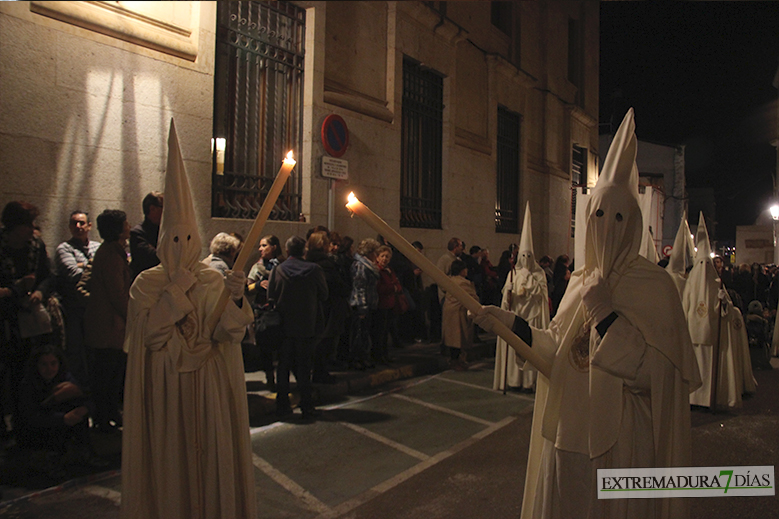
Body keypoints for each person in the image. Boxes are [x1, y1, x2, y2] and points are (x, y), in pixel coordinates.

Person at [476, 109, 700, 519]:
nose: (608, 226)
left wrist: (605, 314)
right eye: (599, 214)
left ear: (634, 224)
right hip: (568, 433)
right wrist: (510, 325)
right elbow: (555, 350)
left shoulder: (656, 287)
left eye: (619, 217)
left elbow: (661, 378)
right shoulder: (578, 281)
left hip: (622, 442)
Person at [121, 121, 256, 518]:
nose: (181, 247)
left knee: (211, 460)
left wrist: (234, 297)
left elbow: (230, 332)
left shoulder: (212, 278)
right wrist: (176, 293)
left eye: (187, 238)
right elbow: (147, 336)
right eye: (173, 239)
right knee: (172, 462)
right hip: (167, 389)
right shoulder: (148, 283)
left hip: (211, 385)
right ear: (163, 240)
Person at [0, 201, 55, 436]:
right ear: (14, 227)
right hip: (7, 320)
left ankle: (33, 422)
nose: (32, 229)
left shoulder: (35, 245)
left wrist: (40, 291)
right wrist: (17, 289)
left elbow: (47, 275)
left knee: (32, 370)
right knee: (10, 373)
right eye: (27, 224)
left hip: (32, 320)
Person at [684, 213, 746, 409]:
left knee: (709, 369)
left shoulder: (716, 282)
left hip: (712, 336)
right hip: (693, 336)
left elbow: (726, 309)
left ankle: (707, 398)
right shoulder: (691, 282)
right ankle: (693, 397)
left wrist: (724, 304)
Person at [16, 344, 105, 477]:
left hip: (61, 420)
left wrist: (84, 409)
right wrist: (62, 418)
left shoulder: (65, 377)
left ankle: (85, 453)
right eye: (44, 364)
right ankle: (48, 460)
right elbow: (31, 417)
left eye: (53, 363)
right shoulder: (28, 384)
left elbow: (87, 399)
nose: (49, 369)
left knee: (77, 407)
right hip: (39, 429)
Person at [267, 235, 328, 419]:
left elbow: (271, 296)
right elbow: (324, 295)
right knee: (304, 367)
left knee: (283, 367)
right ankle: (306, 404)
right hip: (307, 325)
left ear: (287, 251)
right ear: (305, 251)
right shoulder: (315, 270)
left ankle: (282, 404)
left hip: (284, 326)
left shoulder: (278, 270)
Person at [493, 203, 549, 392]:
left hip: (531, 320)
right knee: (514, 349)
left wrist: (531, 285)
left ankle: (528, 382)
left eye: (528, 256)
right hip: (517, 317)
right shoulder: (512, 274)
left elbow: (541, 296)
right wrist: (508, 292)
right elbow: (506, 302)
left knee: (529, 349)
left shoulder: (539, 275)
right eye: (522, 256)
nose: (525, 259)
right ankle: (513, 380)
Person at [84, 209, 131, 433]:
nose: (128, 225)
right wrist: (131, 316)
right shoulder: (111, 254)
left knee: (111, 373)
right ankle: (104, 418)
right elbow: (117, 292)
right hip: (109, 325)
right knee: (106, 374)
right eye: (124, 222)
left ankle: (110, 413)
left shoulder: (113, 251)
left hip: (110, 324)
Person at [54, 211, 101, 389]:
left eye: (82, 223)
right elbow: (73, 274)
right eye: (74, 223)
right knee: (74, 350)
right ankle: (75, 389)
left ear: (89, 226)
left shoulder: (98, 247)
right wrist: (94, 267)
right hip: (74, 308)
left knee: (95, 350)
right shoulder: (64, 249)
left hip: (95, 307)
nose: (78, 227)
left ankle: (94, 389)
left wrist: (84, 265)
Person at [306, 231, 350, 383]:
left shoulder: (308, 261)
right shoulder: (325, 264)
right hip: (329, 307)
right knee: (325, 342)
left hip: (315, 305)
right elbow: (335, 285)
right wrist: (345, 288)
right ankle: (320, 372)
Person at [348, 238, 381, 369]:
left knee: (364, 333)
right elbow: (359, 287)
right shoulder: (361, 266)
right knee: (359, 333)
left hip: (369, 303)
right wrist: (362, 307)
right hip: (361, 305)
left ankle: (363, 357)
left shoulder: (367, 265)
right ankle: (357, 359)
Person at [442, 259, 477, 370]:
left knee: (452, 338)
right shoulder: (463, 282)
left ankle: (455, 360)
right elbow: (473, 298)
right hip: (458, 312)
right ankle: (456, 361)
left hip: (449, 311)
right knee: (458, 338)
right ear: (462, 270)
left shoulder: (450, 280)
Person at [373, 245, 404, 364]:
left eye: (387, 256)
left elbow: (398, 284)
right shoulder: (378, 270)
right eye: (383, 256)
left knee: (386, 331)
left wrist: (394, 287)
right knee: (379, 332)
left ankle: (384, 354)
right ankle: (378, 355)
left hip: (390, 305)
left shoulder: (389, 270)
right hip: (381, 305)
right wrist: (393, 287)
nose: (385, 259)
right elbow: (381, 288)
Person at [129, 191, 163, 280]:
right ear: (152, 209)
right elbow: (154, 259)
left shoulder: (165, 231)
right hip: (146, 284)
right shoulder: (137, 233)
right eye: (165, 207)